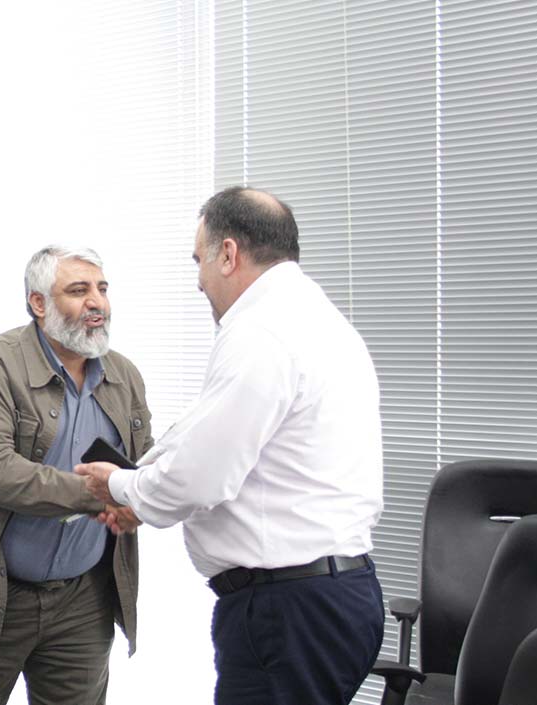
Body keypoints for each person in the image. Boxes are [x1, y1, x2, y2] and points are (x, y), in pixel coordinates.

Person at [76, 187, 385, 705]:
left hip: (288, 611)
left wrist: (121, 486)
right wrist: (143, 492)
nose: (198, 280)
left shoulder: (262, 333)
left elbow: (201, 475)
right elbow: (210, 437)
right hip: (330, 597)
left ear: (228, 254)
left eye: (199, 260)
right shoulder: (317, 320)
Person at [0, 245, 154, 705]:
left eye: (102, 289)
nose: (97, 303)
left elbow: (143, 466)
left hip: (82, 600)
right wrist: (103, 492)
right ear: (38, 303)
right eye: (78, 290)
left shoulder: (124, 375)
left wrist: (143, 497)